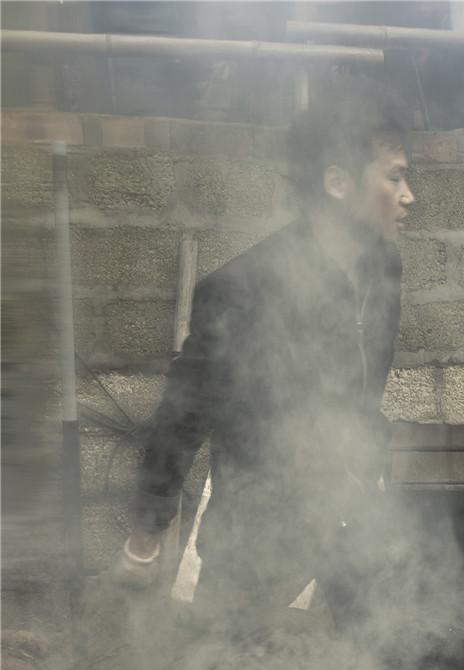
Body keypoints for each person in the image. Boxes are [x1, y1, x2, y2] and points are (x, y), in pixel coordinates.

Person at [119, 88, 414, 621]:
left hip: (352, 532)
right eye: (393, 177)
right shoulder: (242, 288)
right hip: (256, 548)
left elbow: (360, 397)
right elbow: (182, 416)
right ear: (337, 183)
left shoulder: (383, 271)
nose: (408, 195)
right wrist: (145, 537)